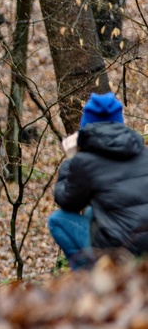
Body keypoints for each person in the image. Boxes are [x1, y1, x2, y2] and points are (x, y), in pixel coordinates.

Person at [48, 92, 148, 270]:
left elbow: (66, 202)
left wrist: (71, 159)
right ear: (121, 122)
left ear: (85, 125)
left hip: (120, 250)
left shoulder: (84, 162)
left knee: (57, 220)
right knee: (92, 212)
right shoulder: (144, 152)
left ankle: (90, 279)